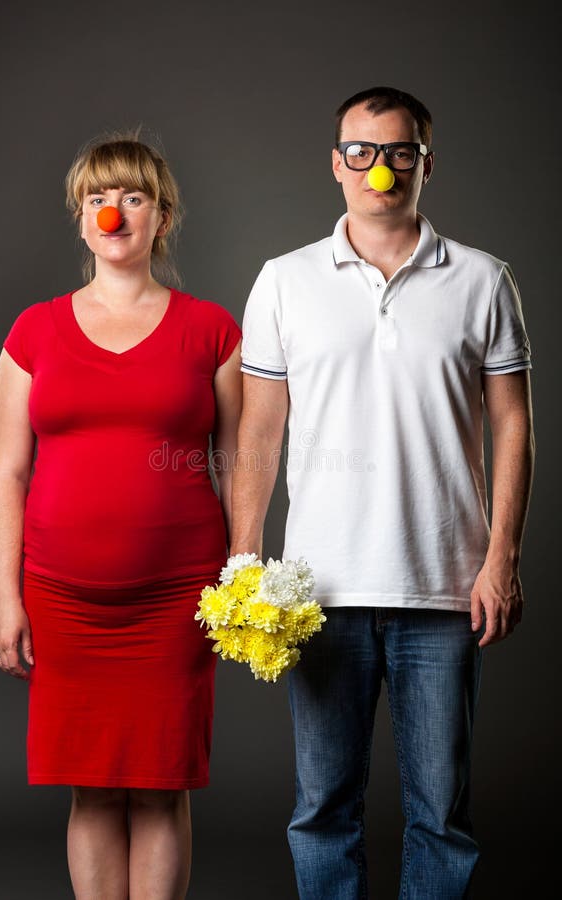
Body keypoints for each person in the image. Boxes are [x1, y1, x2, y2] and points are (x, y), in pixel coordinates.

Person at [230, 86, 534, 898]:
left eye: (400, 152)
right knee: (323, 808)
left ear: (426, 164)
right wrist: (242, 560)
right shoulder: (284, 281)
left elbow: (514, 429)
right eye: (361, 153)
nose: (380, 171)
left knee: (443, 815)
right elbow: (258, 434)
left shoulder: (483, 280)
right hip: (317, 591)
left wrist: (501, 558)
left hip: (446, 587)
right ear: (336, 164)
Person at [0, 134, 242, 900]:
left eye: (133, 197)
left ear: (162, 219)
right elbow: (7, 473)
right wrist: (6, 600)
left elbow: (238, 468)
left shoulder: (213, 331)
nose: (113, 212)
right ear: (80, 216)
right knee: (90, 786)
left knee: (163, 785)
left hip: (176, 598)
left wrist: (242, 585)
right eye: (98, 197)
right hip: (62, 598)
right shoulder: (32, 332)